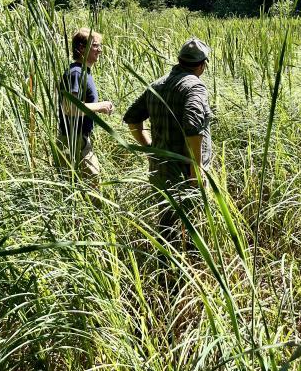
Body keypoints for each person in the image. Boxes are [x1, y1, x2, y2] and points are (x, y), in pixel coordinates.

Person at [123, 36, 212, 245]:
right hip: (185, 172)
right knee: (192, 230)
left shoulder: (157, 85)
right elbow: (193, 129)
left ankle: (166, 270)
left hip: (160, 169)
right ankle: (188, 271)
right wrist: (196, 173)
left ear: (179, 60)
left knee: (167, 226)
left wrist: (150, 149)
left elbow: (132, 119)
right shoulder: (195, 88)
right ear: (202, 65)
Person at [57, 27, 114, 184]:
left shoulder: (84, 72)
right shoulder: (76, 73)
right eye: (95, 45)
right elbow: (70, 108)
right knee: (92, 184)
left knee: (85, 184)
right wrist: (101, 106)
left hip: (78, 139)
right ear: (82, 48)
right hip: (73, 139)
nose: (100, 50)